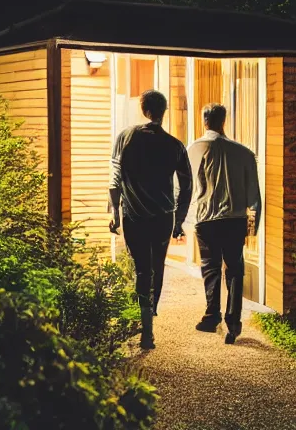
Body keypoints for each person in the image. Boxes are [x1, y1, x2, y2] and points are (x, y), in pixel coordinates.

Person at [109, 90, 192, 349]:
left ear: (143, 109)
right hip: (163, 217)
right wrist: (179, 220)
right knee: (157, 265)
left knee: (142, 269)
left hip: (134, 215)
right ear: (163, 111)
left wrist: (114, 212)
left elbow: (115, 178)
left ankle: (145, 325)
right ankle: (149, 317)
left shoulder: (126, 137)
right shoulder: (174, 145)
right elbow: (187, 185)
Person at [187, 103, 261, 344]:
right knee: (235, 270)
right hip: (234, 220)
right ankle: (233, 322)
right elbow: (254, 196)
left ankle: (211, 316)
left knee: (210, 267)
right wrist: (254, 227)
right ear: (223, 121)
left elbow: (186, 188)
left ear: (204, 121)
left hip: (206, 219)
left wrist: (183, 221)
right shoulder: (244, 153)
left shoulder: (195, 149)